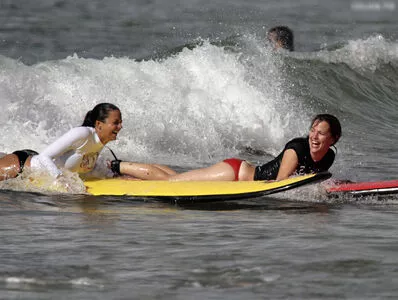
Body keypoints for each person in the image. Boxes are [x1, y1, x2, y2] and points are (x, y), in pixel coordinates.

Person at [110, 114, 341, 181]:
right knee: (172, 183)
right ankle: (119, 165)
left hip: (241, 174)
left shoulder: (328, 156)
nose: (313, 136)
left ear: (333, 139)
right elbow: (281, 184)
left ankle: (134, 175)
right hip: (235, 174)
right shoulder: (297, 149)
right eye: (312, 130)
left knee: (179, 178)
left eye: (320, 133)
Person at [0, 103, 123, 183]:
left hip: (34, 167)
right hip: (19, 167)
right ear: (99, 125)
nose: (120, 126)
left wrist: (112, 175)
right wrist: (61, 180)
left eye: (120, 122)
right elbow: (44, 156)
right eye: (116, 123)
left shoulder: (99, 143)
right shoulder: (82, 134)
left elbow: (81, 165)